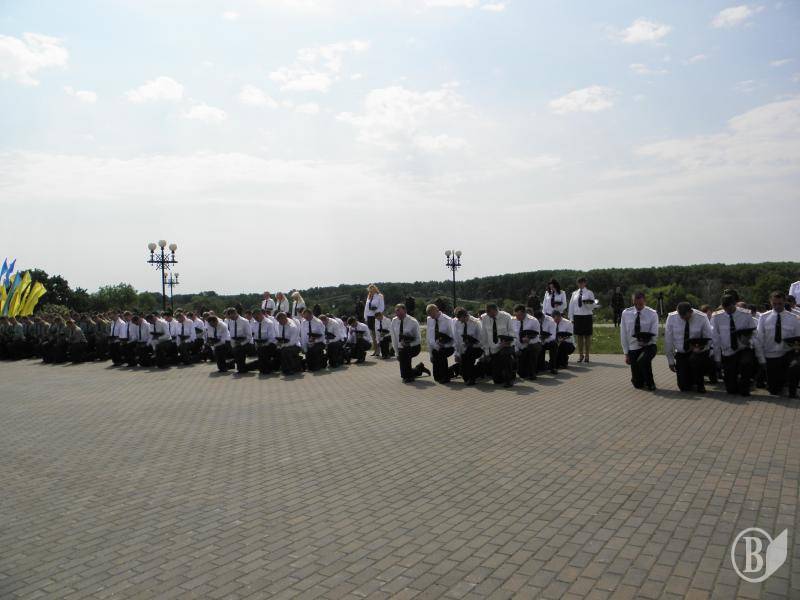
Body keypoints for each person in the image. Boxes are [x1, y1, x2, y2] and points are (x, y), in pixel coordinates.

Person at [711, 294, 758, 396]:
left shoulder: (746, 314)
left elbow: (754, 333)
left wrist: (749, 341)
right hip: (728, 351)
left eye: (729, 307)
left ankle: (745, 387)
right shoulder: (717, 317)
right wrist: (717, 359)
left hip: (743, 348)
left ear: (734, 304)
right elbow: (715, 339)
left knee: (746, 363)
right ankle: (735, 385)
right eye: (725, 307)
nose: (727, 310)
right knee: (731, 389)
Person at [756, 292, 800, 398]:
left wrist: (797, 353)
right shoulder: (764, 317)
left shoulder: (793, 318)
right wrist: (761, 359)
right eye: (774, 304)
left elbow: (798, 339)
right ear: (770, 302)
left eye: (780, 303)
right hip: (771, 355)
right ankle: (779, 383)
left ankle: (792, 392)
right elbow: (759, 339)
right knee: (774, 390)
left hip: (787, 354)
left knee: (795, 366)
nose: (777, 306)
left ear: (784, 302)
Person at [664, 302, 713, 393]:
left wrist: (700, 348)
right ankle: (690, 380)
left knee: (695, 360)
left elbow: (709, 338)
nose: (684, 319)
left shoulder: (702, 317)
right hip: (681, 352)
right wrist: (670, 361)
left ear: (691, 312)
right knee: (683, 387)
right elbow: (668, 340)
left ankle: (700, 384)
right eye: (681, 317)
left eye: (686, 317)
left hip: (697, 352)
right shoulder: (671, 317)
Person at [620, 292, 659, 391]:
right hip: (633, 347)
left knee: (643, 360)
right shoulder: (626, 313)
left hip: (649, 346)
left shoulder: (652, 314)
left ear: (645, 301)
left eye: (640, 304)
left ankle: (650, 383)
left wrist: (646, 341)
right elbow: (623, 334)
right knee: (637, 384)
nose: (638, 306)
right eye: (635, 304)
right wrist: (626, 353)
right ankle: (637, 379)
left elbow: (654, 333)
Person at [390, 303, 429, 383]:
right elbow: (394, 338)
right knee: (402, 355)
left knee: (404, 354)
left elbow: (418, 340)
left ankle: (407, 377)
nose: (398, 315)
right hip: (401, 348)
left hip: (414, 347)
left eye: (400, 313)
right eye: (397, 313)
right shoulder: (394, 321)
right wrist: (396, 353)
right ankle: (418, 369)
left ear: (405, 311)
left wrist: (409, 344)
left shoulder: (413, 321)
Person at [480, 303, 516, 387]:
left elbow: (511, 332)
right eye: (487, 313)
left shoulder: (506, 317)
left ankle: (508, 380)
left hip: (506, 345)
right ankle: (510, 373)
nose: (488, 315)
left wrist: (507, 342)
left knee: (506, 357)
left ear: (495, 310)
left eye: (490, 313)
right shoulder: (485, 318)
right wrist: (486, 351)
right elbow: (484, 335)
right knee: (497, 380)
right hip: (493, 348)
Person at [567, 277, 598, 363]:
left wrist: (588, 304)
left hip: (587, 316)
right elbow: (571, 306)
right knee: (579, 337)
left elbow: (593, 305)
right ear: (577, 283)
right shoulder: (574, 293)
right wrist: (571, 318)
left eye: (582, 282)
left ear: (585, 283)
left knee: (587, 336)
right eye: (579, 283)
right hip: (577, 316)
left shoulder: (589, 292)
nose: (581, 284)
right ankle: (581, 355)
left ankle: (587, 355)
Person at [453, 307, 484, 385]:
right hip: (463, 349)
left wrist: (472, 344)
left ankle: (472, 379)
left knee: (469, 357)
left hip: (476, 348)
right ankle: (472, 376)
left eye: (461, 319)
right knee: (464, 374)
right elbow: (456, 340)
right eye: (458, 319)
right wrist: (457, 354)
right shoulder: (457, 323)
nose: (460, 321)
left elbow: (481, 340)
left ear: (465, 316)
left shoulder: (476, 323)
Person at [426, 304, 456, 383]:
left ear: (437, 310)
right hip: (436, 347)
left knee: (441, 353)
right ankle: (443, 374)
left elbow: (453, 338)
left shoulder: (448, 320)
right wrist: (431, 354)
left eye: (432, 315)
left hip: (448, 346)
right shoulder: (429, 319)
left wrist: (445, 345)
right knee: (436, 377)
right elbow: (429, 337)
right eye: (430, 315)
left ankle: (446, 377)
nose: (431, 317)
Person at [512, 304, 541, 380]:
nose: (517, 317)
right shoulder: (512, 321)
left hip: (531, 344)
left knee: (533, 349)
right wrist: (516, 349)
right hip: (518, 346)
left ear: (524, 313)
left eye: (519, 315)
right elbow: (512, 337)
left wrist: (529, 340)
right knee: (522, 374)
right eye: (516, 315)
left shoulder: (534, 321)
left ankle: (532, 372)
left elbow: (537, 337)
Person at [248, 308, 278, 374]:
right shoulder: (254, 323)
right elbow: (253, 335)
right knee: (259, 349)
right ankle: (263, 368)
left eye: (256, 317)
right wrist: (255, 343)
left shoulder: (269, 323)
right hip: (259, 343)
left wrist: (264, 344)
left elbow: (272, 338)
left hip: (270, 344)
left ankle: (266, 368)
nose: (255, 319)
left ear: (261, 314)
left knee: (263, 350)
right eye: (254, 318)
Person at [225, 307, 253, 373]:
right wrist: (233, 343)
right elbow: (231, 334)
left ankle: (242, 368)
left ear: (235, 313)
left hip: (245, 342)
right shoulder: (230, 321)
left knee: (239, 351)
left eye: (231, 316)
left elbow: (249, 336)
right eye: (229, 317)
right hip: (235, 342)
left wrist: (241, 343)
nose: (231, 318)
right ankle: (238, 367)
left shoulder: (244, 321)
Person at [364, 284, 385, 356]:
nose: (371, 291)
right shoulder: (369, 297)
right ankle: (375, 350)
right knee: (373, 335)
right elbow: (366, 308)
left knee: (377, 334)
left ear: (375, 289)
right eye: (370, 290)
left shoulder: (379, 296)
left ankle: (379, 350)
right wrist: (365, 317)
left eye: (372, 289)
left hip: (376, 316)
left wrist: (376, 311)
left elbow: (382, 307)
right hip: (369, 316)